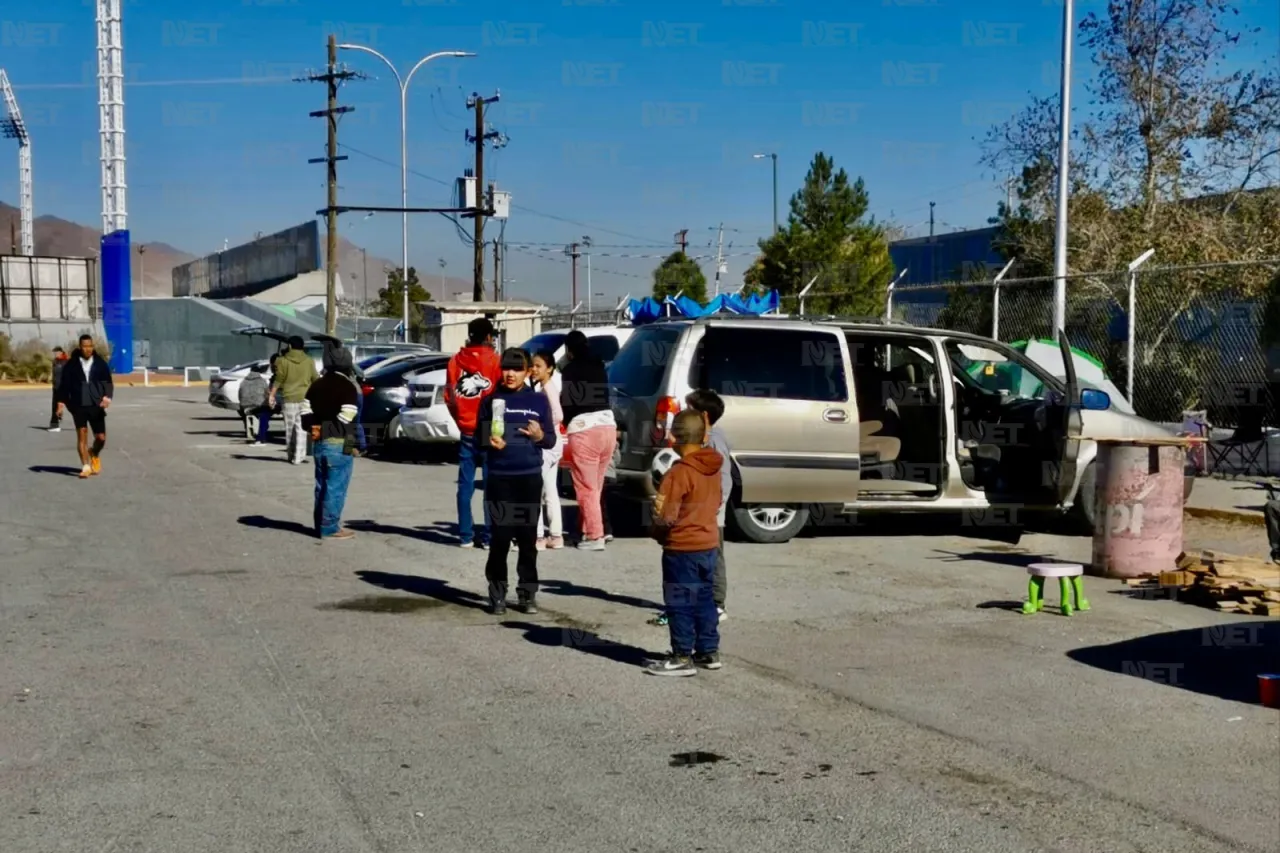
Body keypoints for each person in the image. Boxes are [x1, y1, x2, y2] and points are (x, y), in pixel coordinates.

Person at [475, 348, 558, 614]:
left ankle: (527, 594)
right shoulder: (490, 401)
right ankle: (497, 594)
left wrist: (538, 436)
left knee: (526, 540)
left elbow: (551, 440)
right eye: (506, 368)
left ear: (527, 372)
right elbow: (479, 440)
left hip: (529, 477)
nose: (510, 374)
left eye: (517, 369)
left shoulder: (538, 401)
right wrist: (489, 442)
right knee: (499, 539)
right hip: (500, 478)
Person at [646, 409, 723, 676]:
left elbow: (667, 515)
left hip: (681, 548)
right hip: (709, 544)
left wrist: (656, 532)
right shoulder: (713, 467)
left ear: (674, 438)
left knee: (679, 602)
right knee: (704, 599)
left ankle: (681, 656)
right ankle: (708, 652)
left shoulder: (678, 473)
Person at [445, 317, 502, 548]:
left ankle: (465, 535)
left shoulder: (455, 362)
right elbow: (500, 400)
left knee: (465, 485)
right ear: (489, 337)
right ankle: (489, 537)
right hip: (489, 426)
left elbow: (449, 397)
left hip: (466, 427)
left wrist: (460, 421)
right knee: (491, 484)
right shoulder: (495, 361)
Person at [560, 330, 617, 551]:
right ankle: (586, 530)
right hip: (607, 426)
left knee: (586, 488)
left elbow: (568, 402)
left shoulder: (570, 370)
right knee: (597, 485)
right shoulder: (599, 367)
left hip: (584, 429)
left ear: (569, 350)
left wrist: (564, 421)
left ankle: (595, 536)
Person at [300, 346, 360, 540]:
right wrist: (353, 447)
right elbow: (349, 418)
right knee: (336, 487)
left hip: (317, 443)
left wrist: (316, 430)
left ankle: (319, 525)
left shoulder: (316, 385)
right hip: (339, 444)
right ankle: (330, 527)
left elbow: (305, 414)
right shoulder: (347, 386)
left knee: (321, 485)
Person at [686, 389, 733, 622]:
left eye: (689, 409)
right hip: (700, 509)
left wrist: (717, 505)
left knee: (714, 556)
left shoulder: (715, 439)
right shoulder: (701, 438)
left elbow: (725, 475)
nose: (683, 413)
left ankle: (717, 603)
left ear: (703, 415)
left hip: (713, 511)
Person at [55, 335, 113, 480]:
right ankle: (85, 466)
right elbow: (64, 385)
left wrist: (107, 397)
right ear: (80, 347)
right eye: (85, 346)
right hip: (78, 404)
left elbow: (107, 382)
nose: (88, 349)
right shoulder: (71, 364)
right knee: (82, 433)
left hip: (96, 404)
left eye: (90, 346)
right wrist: (60, 403)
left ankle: (94, 452)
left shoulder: (100, 363)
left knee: (101, 437)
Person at [529, 349, 566, 550]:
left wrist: (542, 427)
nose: (534, 369)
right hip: (555, 443)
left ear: (549, 369)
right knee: (550, 490)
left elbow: (558, 415)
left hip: (547, 443)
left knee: (536, 490)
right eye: (532, 365)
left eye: (538, 366)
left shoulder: (547, 389)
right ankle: (556, 535)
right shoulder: (546, 387)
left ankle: (539, 537)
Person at [269, 336, 318, 464]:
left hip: (289, 398)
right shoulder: (309, 361)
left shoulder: (282, 361)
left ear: (290, 346)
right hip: (305, 398)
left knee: (290, 429)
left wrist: (272, 395)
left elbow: (278, 380)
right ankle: (299, 456)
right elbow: (315, 379)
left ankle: (291, 455)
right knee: (302, 428)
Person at [238, 362, 271, 444]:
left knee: (244, 414)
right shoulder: (262, 381)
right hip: (258, 407)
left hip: (245, 407)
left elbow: (239, 395)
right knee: (265, 414)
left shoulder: (243, 381)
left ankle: (249, 430)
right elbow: (267, 394)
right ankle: (261, 437)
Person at [48, 346, 69, 432]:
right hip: (56, 388)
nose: (55, 354)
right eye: (54, 353)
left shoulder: (66, 362)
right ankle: (54, 425)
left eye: (56, 352)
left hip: (63, 387)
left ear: (61, 352)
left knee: (73, 407)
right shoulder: (55, 362)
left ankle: (83, 422)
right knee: (54, 406)